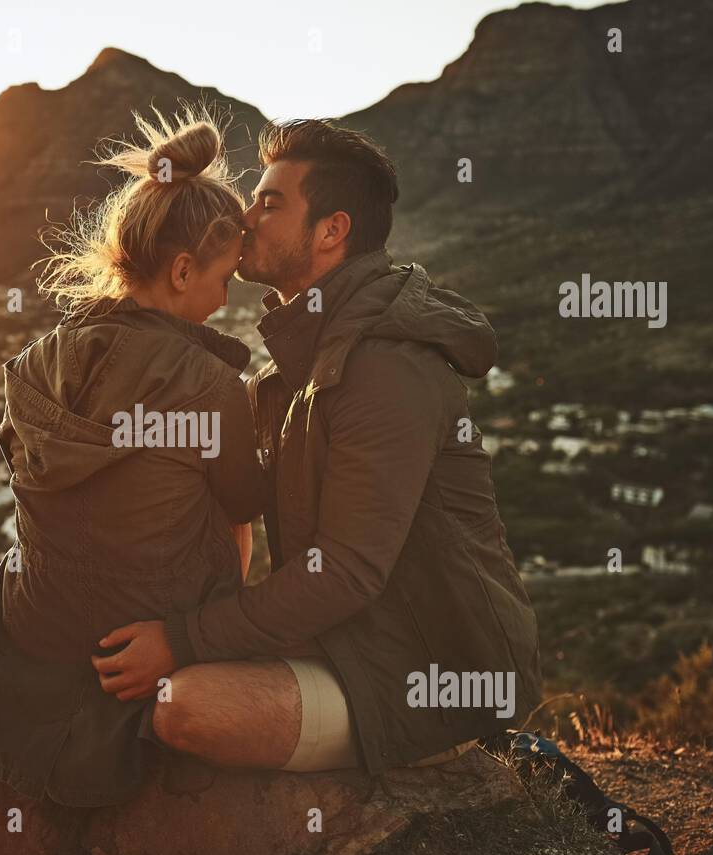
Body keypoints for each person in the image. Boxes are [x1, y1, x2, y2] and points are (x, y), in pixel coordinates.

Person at [94, 119, 545, 779]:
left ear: (332, 231)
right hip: (342, 642)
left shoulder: (387, 362)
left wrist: (182, 638)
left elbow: (347, 570)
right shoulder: (280, 372)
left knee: (183, 705)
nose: (246, 219)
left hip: (429, 666)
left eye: (270, 203)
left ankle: (505, 758)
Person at [0, 104, 264, 807]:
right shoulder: (214, 386)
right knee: (231, 507)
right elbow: (244, 509)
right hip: (142, 665)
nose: (224, 299)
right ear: (183, 271)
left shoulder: (33, 363)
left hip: (26, 661)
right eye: (223, 280)